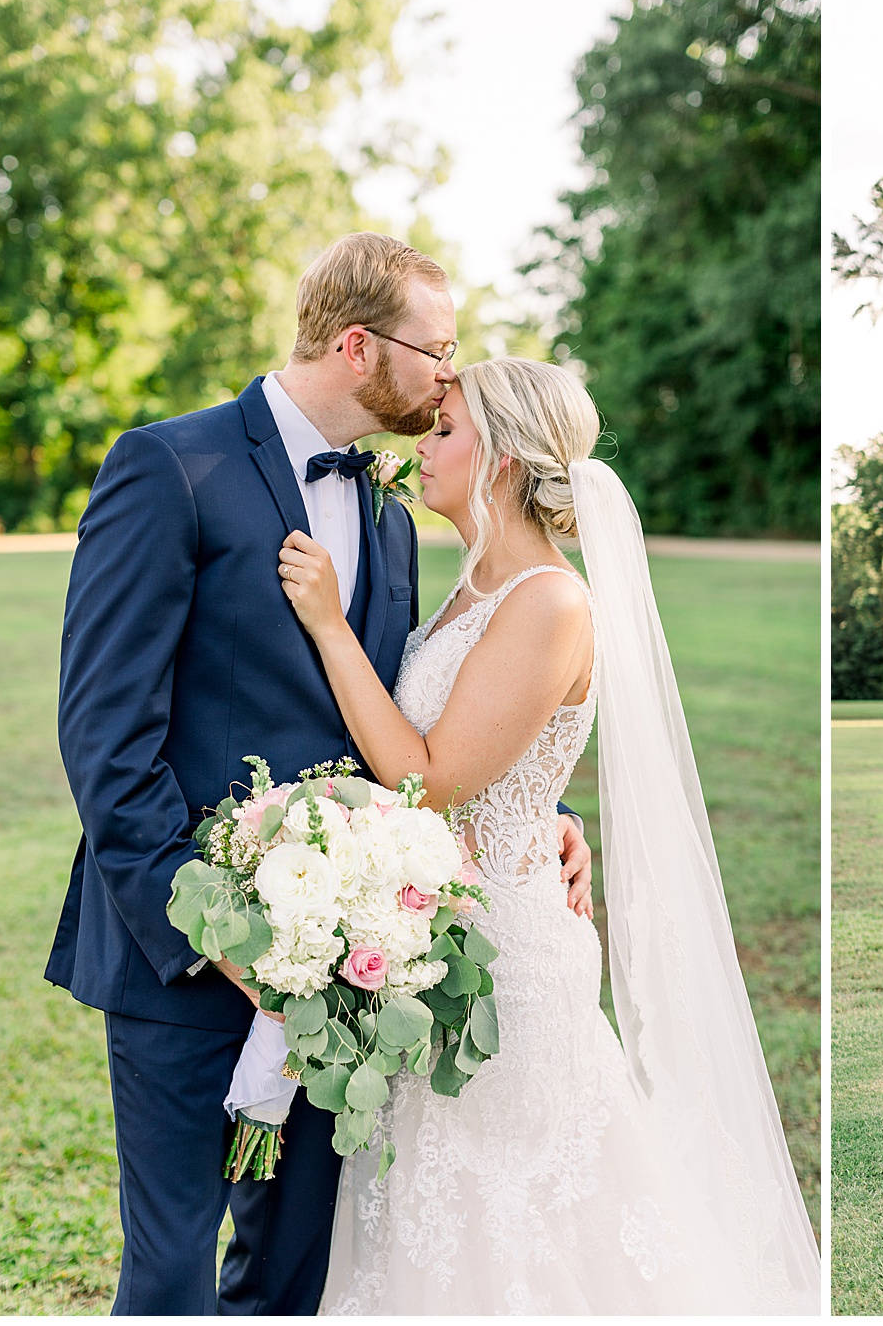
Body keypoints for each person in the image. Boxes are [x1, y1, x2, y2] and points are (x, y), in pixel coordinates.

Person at [49, 233, 591, 1315]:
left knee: (296, 1273)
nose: (451, 373)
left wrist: (545, 806)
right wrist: (213, 934)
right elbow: (105, 735)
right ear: (357, 345)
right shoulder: (170, 467)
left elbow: (414, 718)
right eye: (437, 350)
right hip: (189, 958)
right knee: (168, 1274)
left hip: (354, 967)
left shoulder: (392, 514)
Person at [275, 357, 819, 1312]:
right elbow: (504, 761)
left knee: (521, 1221)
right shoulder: (467, 591)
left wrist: (329, 626)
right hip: (438, 942)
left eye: (445, 431)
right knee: (432, 1209)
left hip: (510, 964)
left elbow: (433, 777)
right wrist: (555, 816)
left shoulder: (553, 601)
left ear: (507, 462)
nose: (419, 445)